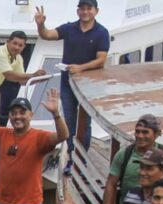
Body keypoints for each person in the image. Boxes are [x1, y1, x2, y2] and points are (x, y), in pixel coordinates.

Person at [35, 1, 108, 158]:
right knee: (69, 118)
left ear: (96, 11)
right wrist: (41, 24)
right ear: (78, 11)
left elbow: (101, 60)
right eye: (82, 9)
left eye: (89, 8)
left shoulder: (102, 32)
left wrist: (80, 68)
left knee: (84, 122)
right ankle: (70, 152)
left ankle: (82, 156)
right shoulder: (69, 28)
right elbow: (46, 35)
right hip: (68, 81)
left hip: (89, 84)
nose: (85, 12)